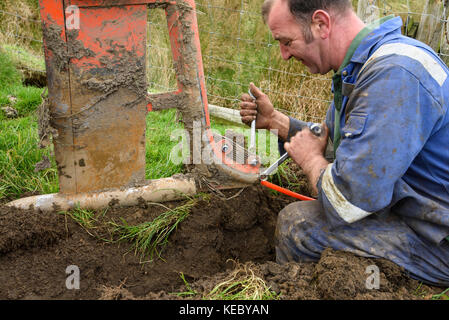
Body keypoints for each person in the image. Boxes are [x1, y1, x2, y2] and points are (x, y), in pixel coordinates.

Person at [240, 0, 449, 286]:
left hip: (437, 240)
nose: (284, 55)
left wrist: (312, 162)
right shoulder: (365, 66)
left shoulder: (393, 76)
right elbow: (353, 149)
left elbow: (347, 203)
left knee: (298, 226)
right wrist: (276, 122)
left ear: (321, 23)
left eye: (287, 42)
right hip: (424, 216)